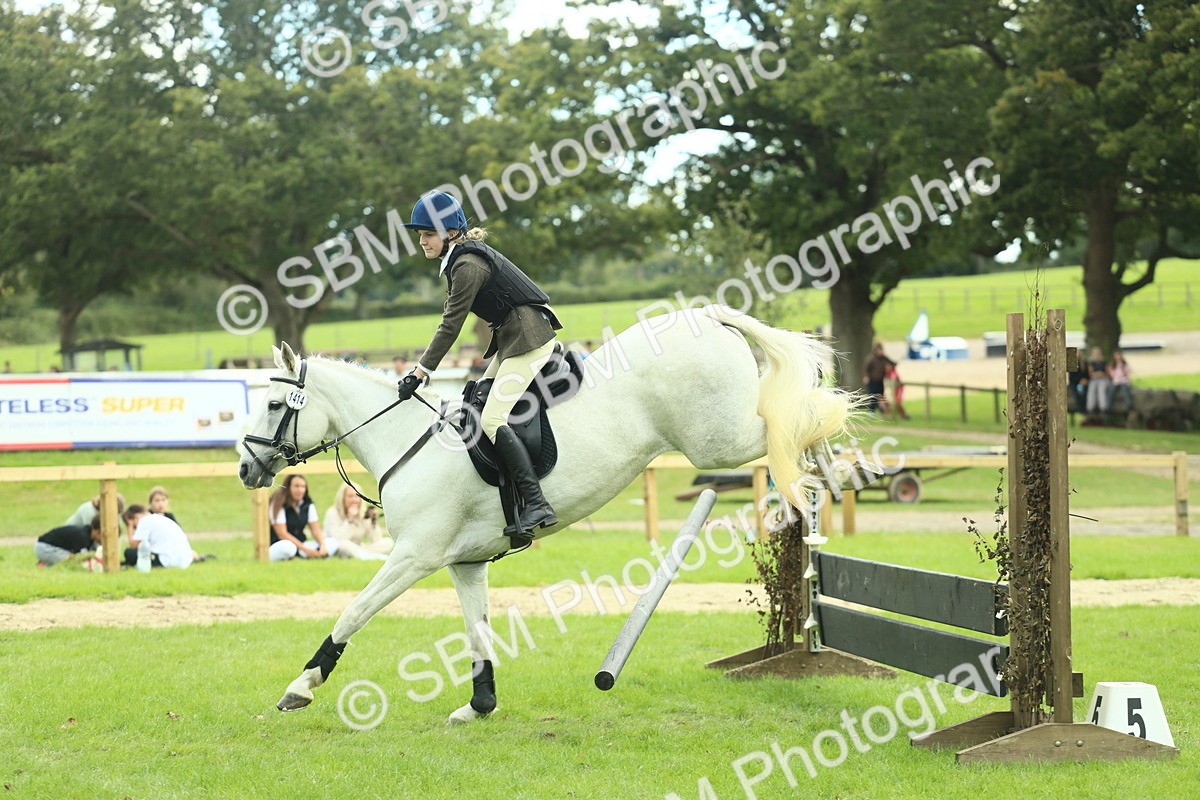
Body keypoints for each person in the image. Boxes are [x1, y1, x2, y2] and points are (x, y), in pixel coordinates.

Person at [396, 189, 563, 540]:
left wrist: (421, 371)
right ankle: (506, 502)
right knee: (476, 397)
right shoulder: (459, 260)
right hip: (512, 338)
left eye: (427, 234)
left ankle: (536, 502)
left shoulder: (467, 266)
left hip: (529, 339)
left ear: (450, 233)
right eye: (420, 235)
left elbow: (451, 324)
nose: (422, 242)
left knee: (492, 418)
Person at [268, 474, 339, 561]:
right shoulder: (278, 503)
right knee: (288, 547)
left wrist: (322, 545)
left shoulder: (307, 504)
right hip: (279, 545)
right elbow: (282, 534)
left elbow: (315, 529)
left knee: (333, 542)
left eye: (303, 486)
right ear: (288, 487)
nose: (300, 490)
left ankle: (303, 557)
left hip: (301, 545)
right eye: (296, 486)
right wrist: (306, 550)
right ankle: (300, 556)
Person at [324, 485, 392, 561]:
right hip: (342, 547)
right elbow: (338, 539)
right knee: (344, 545)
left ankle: (365, 555)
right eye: (350, 496)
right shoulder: (333, 512)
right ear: (342, 499)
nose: (355, 500)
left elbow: (376, 540)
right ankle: (374, 556)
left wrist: (373, 521)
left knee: (388, 542)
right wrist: (350, 520)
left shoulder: (362, 513)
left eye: (357, 496)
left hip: (358, 548)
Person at [122, 505, 200, 568]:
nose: (136, 529)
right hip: (184, 560)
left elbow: (133, 545)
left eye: (134, 526)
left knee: (128, 552)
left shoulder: (144, 520)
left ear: (137, 516)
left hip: (167, 560)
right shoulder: (160, 518)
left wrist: (130, 526)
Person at [35, 517, 101, 566]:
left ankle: (48, 563)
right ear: (97, 531)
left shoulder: (88, 533)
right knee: (73, 563)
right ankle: (43, 564)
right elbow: (84, 557)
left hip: (53, 548)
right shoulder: (82, 536)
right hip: (45, 548)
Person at [862, 343, 895, 417]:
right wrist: (866, 376)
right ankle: (871, 411)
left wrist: (891, 367)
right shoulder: (871, 359)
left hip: (880, 380)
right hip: (872, 381)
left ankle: (882, 410)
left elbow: (892, 364)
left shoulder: (884, 358)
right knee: (873, 396)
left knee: (881, 396)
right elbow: (866, 369)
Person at [1085, 346, 1111, 424]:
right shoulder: (1091, 362)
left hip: (1103, 379)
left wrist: (1101, 374)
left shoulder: (1104, 362)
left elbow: (1107, 373)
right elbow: (1091, 373)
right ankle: (1090, 409)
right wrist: (1098, 374)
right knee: (1092, 389)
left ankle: (1103, 409)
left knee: (1101, 389)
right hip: (1094, 379)